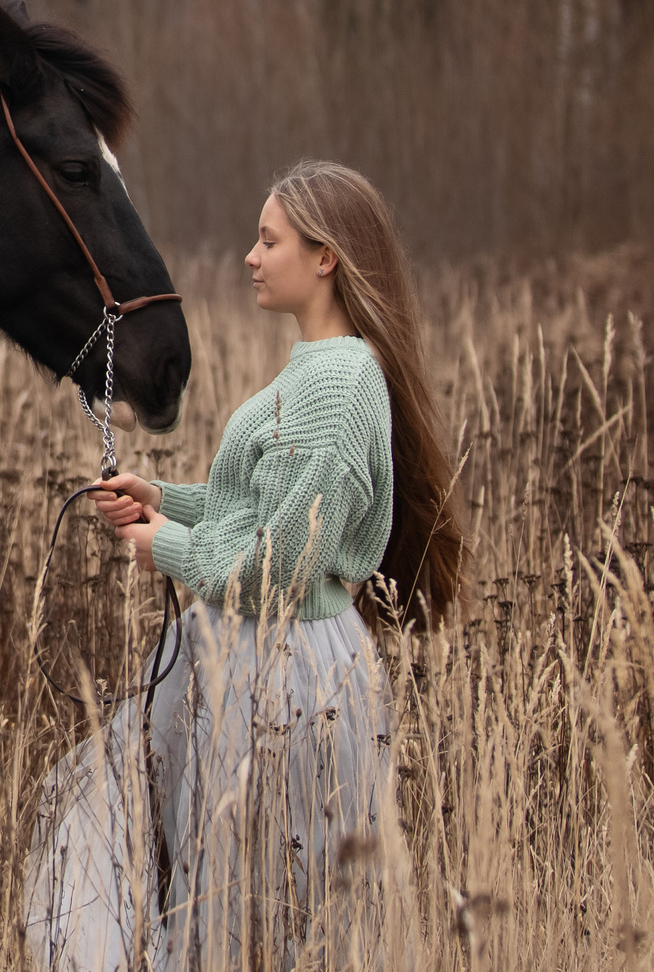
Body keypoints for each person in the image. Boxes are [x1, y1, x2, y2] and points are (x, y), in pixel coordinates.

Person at [23, 160, 463, 970]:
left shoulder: (336, 379)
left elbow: (284, 567)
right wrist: (165, 496)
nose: (251, 257)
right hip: (261, 657)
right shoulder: (321, 365)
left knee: (253, 902)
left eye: (270, 240)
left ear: (325, 256)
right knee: (234, 892)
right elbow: (263, 513)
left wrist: (163, 544)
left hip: (286, 669)